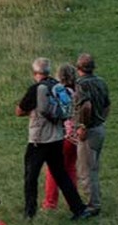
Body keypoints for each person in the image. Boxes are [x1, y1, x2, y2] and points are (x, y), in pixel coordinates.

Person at [15, 57, 91, 220]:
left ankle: (29, 213)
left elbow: (19, 111)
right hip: (57, 138)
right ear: (48, 71)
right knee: (61, 174)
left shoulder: (36, 88)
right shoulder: (57, 86)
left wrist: (32, 112)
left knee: (31, 177)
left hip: (39, 140)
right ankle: (79, 209)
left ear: (35, 73)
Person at [75, 53, 111, 216]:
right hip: (99, 128)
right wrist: (101, 120)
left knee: (86, 171)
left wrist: (83, 126)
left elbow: (86, 106)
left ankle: (92, 206)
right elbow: (107, 105)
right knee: (94, 168)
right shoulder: (101, 82)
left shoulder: (80, 84)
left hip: (89, 132)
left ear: (78, 68)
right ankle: (96, 199)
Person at [43, 63, 78, 210]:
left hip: (60, 135)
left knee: (53, 169)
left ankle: (50, 203)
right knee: (70, 168)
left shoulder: (57, 91)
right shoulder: (78, 92)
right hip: (76, 136)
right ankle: (74, 201)